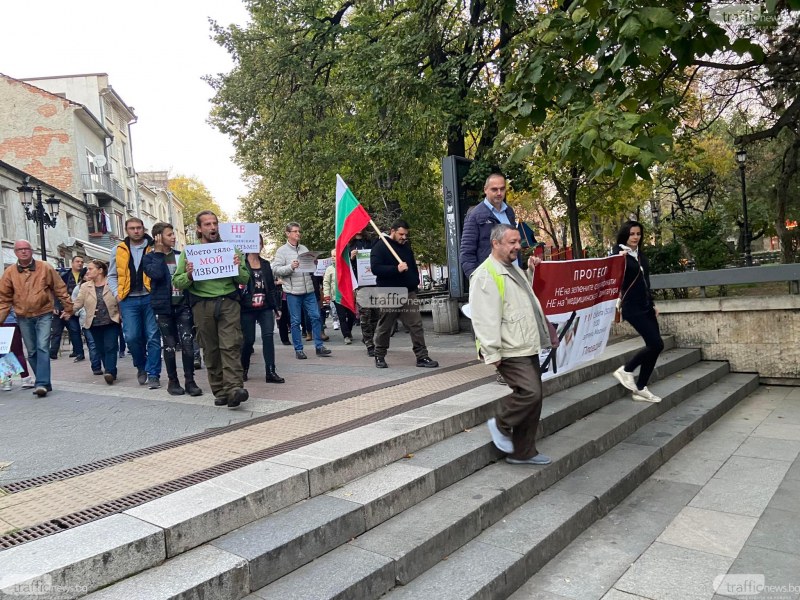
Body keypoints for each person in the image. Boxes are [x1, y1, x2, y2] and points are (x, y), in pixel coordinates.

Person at [469, 224, 552, 465]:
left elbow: (519, 298)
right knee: (530, 392)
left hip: (525, 342)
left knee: (535, 398)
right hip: (509, 347)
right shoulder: (485, 274)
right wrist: (491, 350)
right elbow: (484, 317)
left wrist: (530, 272)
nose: (518, 246)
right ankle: (500, 423)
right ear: (496, 244)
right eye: (512, 242)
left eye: (518, 242)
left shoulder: (511, 268)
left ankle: (523, 452)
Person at [173, 210, 250, 408]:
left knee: (231, 344)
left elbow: (244, 279)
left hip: (228, 302)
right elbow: (178, 282)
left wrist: (237, 267)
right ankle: (220, 390)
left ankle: (234, 388)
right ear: (199, 229)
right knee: (211, 348)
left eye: (214, 223)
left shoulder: (231, 250)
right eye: (207, 224)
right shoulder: (190, 252)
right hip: (202, 304)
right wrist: (189, 275)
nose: (212, 227)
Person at [0, 239, 73, 397]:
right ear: (15, 253)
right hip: (23, 316)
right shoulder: (10, 272)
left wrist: (68, 307)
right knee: (32, 351)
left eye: (26, 249)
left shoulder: (45, 267)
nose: (24, 251)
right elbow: (4, 298)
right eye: (20, 250)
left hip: (44, 313)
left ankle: (41, 383)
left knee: (42, 347)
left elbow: (59, 287)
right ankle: (44, 381)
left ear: (31, 251)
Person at [143, 222, 203, 397]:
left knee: (187, 343)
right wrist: (159, 253)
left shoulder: (180, 256)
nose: (174, 237)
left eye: (173, 234)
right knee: (169, 345)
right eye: (169, 235)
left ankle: (190, 381)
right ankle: (173, 381)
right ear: (159, 237)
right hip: (163, 308)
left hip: (183, 305)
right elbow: (156, 274)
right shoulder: (150, 258)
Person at [370, 219, 438, 369]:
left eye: (406, 235)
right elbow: (375, 269)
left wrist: (414, 282)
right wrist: (396, 269)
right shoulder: (380, 246)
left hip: (408, 291)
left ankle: (422, 356)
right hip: (390, 293)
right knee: (385, 326)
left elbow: (412, 266)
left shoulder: (406, 247)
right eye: (401, 234)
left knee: (416, 325)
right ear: (392, 231)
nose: (404, 237)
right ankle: (379, 355)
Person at [611, 220, 664, 403]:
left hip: (646, 305)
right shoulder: (618, 252)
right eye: (632, 234)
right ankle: (626, 369)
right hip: (631, 307)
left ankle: (641, 388)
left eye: (638, 234)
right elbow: (611, 273)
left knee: (656, 346)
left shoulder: (640, 254)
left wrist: (653, 303)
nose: (635, 237)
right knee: (656, 344)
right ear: (625, 234)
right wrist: (620, 259)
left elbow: (645, 281)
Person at [108, 217, 162, 389]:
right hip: (128, 299)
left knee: (153, 336)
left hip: (150, 297)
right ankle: (141, 365)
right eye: (132, 228)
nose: (136, 231)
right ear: (127, 230)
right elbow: (111, 275)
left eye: (139, 228)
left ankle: (153, 374)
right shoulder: (118, 249)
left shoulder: (153, 247)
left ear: (143, 229)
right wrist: (117, 294)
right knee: (131, 337)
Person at [272, 222, 332, 359]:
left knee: (316, 317)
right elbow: (276, 270)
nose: (298, 233)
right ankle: (298, 349)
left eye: (299, 231)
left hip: (308, 289)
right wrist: (290, 267)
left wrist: (314, 264)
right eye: (295, 231)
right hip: (293, 292)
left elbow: (310, 268)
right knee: (295, 321)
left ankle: (319, 347)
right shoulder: (281, 251)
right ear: (287, 234)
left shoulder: (304, 248)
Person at [240, 235, 284, 384]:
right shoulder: (241, 263)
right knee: (248, 340)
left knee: (268, 337)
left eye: (260, 243)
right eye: (254, 242)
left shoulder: (265, 264)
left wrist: (276, 307)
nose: (258, 245)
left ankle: (270, 371)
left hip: (265, 307)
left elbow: (271, 288)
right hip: (247, 308)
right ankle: (243, 368)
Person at [459, 173, 517, 279]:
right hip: (490, 280)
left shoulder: (509, 212)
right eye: (494, 189)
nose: (499, 193)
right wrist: (476, 279)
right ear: (485, 190)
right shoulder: (475, 215)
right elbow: (467, 253)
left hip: (513, 277)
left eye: (502, 189)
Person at [72, 260, 121, 385]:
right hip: (93, 322)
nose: (87, 271)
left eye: (90, 269)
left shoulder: (112, 283)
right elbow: (78, 302)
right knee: (100, 349)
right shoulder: (85, 286)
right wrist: (68, 311)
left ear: (100, 270)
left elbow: (119, 299)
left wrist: (122, 314)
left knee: (111, 346)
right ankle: (109, 370)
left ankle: (110, 372)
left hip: (111, 320)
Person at [49, 255, 86, 362]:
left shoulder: (85, 275)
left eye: (82, 262)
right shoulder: (64, 276)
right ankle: (53, 353)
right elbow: (55, 291)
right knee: (56, 331)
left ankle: (79, 352)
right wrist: (55, 305)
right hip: (61, 307)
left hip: (74, 308)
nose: (80, 263)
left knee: (75, 330)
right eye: (78, 261)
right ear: (72, 263)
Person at [349, 228, 379, 356]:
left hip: (374, 283)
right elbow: (345, 267)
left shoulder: (371, 242)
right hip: (360, 285)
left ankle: (367, 336)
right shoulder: (349, 246)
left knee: (376, 315)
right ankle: (369, 344)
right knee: (365, 315)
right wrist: (351, 258)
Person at [323, 249, 356, 344]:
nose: (333, 258)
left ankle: (348, 331)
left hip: (348, 295)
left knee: (351, 315)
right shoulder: (329, 269)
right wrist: (327, 295)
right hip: (336, 296)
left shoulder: (346, 267)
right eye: (332, 256)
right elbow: (326, 283)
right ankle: (346, 336)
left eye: (335, 256)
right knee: (341, 317)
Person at [0, 309, 35, 391]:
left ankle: (6, 381)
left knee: (2, 351)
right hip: (9, 321)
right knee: (17, 352)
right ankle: (25, 378)